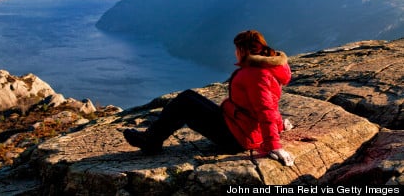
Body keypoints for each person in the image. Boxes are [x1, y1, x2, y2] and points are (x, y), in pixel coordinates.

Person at [122, 30, 295, 166]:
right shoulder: (266, 69)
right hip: (239, 126)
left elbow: (266, 109)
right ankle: (153, 138)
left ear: (243, 50)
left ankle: (151, 141)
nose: (235, 53)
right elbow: (266, 103)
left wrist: (275, 146)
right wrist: (279, 124)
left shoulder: (255, 75)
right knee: (188, 98)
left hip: (236, 138)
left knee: (184, 102)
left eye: (236, 49)